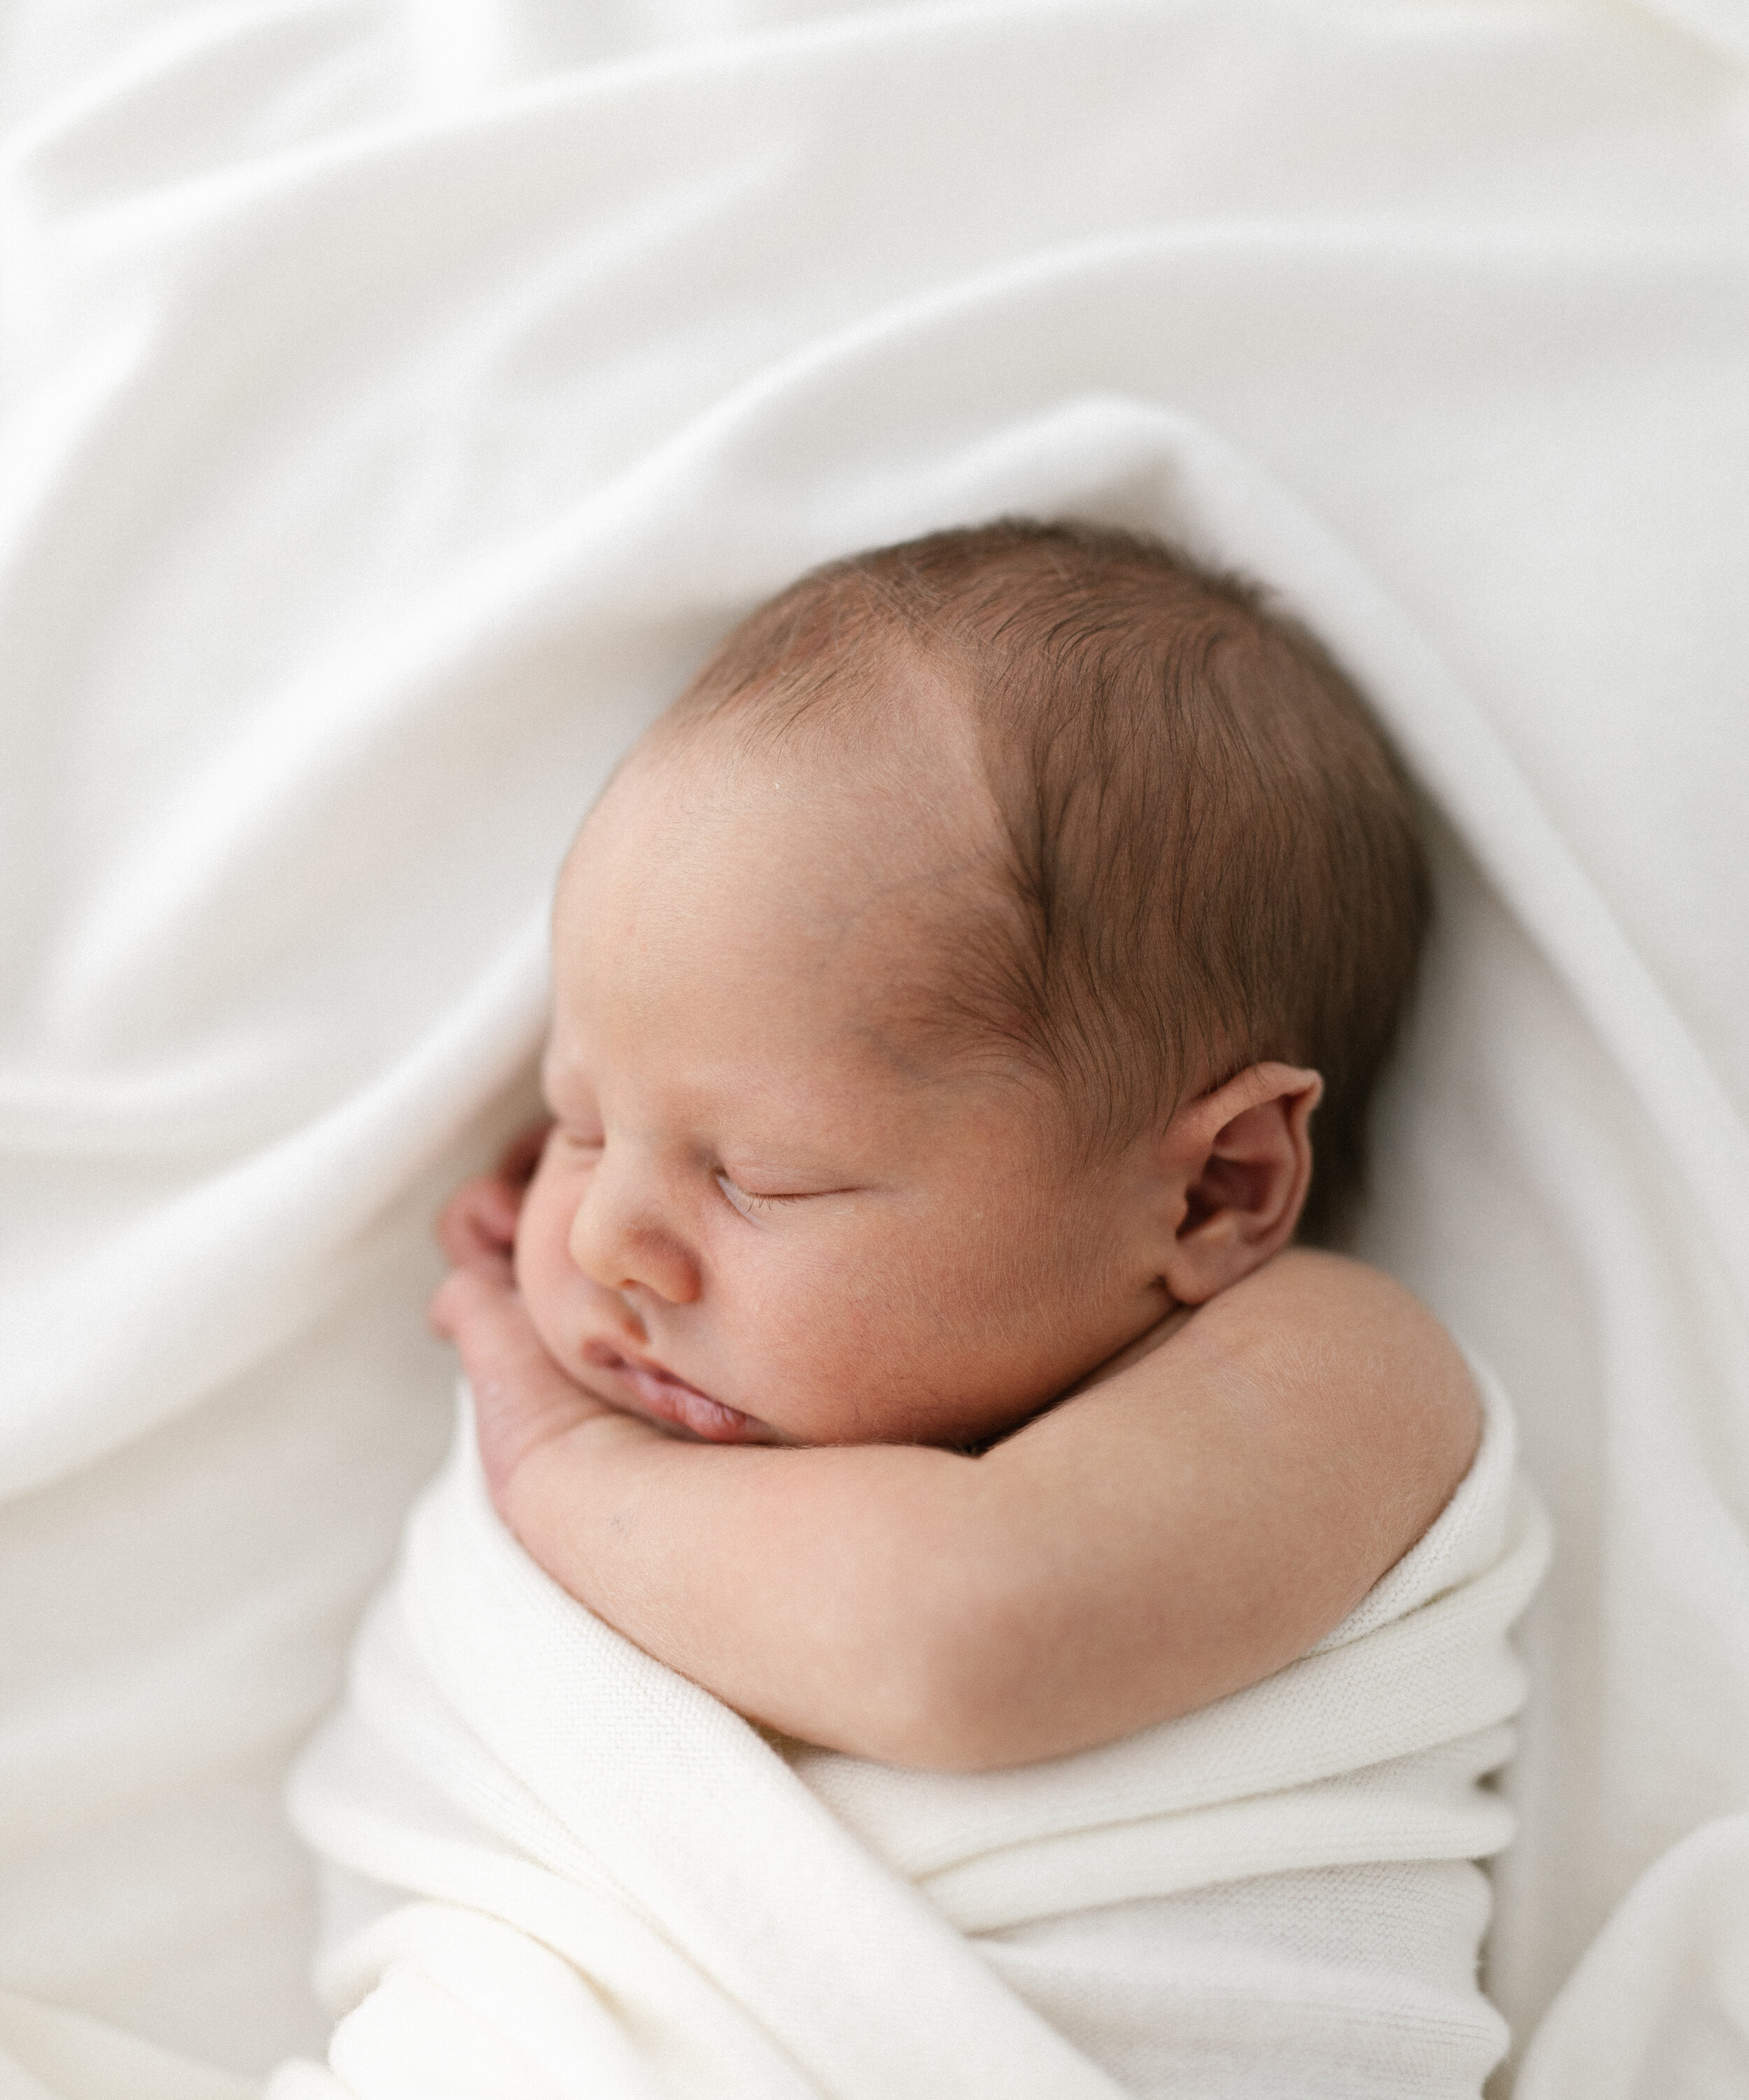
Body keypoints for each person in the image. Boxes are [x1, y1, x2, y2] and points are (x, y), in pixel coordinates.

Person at [431, 518, 1478, 1771]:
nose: (604, 1240)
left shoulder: (1333, 1372)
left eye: (761, 1175)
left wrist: (556, 1456)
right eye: (584, 1125)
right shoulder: (657, 1382)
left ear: (1214, 1191)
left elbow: (954, 1650)